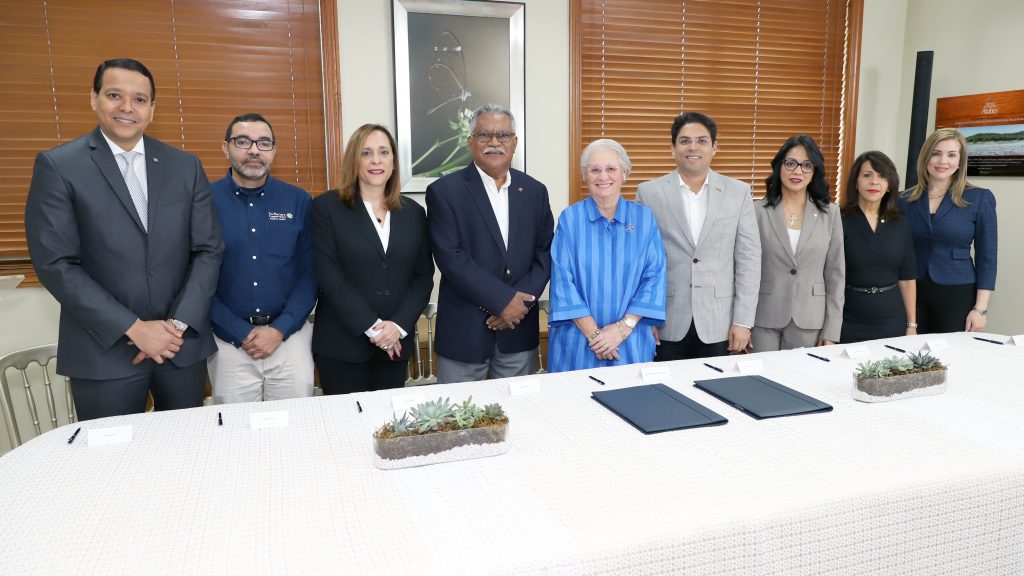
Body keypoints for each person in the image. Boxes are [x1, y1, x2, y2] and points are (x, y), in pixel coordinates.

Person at [24, 58, 223, 420]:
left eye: (140, 99)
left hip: (180, 348)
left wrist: (174, 327)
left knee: (188, 459)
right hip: (103, 352)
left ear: (151, 109)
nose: (127, 107)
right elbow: (55, 264)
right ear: (94, 99)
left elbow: (208, 250)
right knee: (110, 467)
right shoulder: (59, 166)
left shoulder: (185, 166)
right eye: (115, 95)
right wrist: (134, 329)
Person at [426, 104, 554, 384]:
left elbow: (544, 255)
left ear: (515, 143)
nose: (494, 142)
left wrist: (517, 307)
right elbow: (451, 259)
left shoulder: (534, 191)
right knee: (456, 420)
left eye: (503, 135)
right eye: (485, 134)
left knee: (519, 417)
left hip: (518, 332)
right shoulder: (444, 192)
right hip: (464, 335)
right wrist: (503, 302)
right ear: (471, 141)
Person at [312, 124, 434, 394]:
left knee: (390, 428)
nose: (376, 160)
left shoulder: (414, 213)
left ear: (393, 162)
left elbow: (423, 277)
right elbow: (329, 277)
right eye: (366, 153)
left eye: (383, 152)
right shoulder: (327, 208)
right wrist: (374, 328)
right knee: (347, 430)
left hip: (395, 345)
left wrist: (398, 326)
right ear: (353, 160)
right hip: (342, 346)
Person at [206, 113, 318, 403]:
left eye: (264, 143)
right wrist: (241, 332)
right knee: (236, 434)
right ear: (226, 148)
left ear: (273, 151)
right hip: (228, 343)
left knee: (295, 430)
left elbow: (310, 274)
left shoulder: (299, 201)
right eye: (243, 141)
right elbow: (196, 278)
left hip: (289, 339)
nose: (254, 150)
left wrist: (279, 330)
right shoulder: (203, 201)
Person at [636, 112, 760, 360]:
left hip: (720, 322)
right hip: (665, 321)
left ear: (714, 147)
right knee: (667, 393)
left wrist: (743, 322)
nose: (693, 147)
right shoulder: (649, 193)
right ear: (673, 148)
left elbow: (749, 259)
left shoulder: (738, 192)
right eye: (684, 141)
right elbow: (640, 262)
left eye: (702, 141)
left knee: (718, 394)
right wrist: (644, 316)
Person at [548, 139, 666, 372]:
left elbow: (654, 278)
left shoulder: (644, 219)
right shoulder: (570, 219)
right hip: (578, 342)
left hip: (630, 341)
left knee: (631, 404)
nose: (603, 176)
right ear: (585, 176)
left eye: (611, 169)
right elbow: (563, 283)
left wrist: (622, 329)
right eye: (595, 170)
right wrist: (597, 337)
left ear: (624, 174)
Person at [897, 128, 997, 333]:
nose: (943, 161)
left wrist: (981, 309)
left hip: (957, 293)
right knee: (910, 358)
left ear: (960, 161)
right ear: (926, 158)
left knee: (952, 358)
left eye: (951, 155)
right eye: (936, 153)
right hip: (912, 292)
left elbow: (987, 258)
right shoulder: (904, 200)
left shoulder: (979, 198)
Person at [752, 135, 844, 351]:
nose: (797, 171)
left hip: (810, 319)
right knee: (761, 381)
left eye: (806, 165)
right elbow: (743, 268)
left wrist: (832, 329)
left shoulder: (830, 213)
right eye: (791, 163)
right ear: (779, 166)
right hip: (763, 316)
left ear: (814, 172)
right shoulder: (756, 211)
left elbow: (836, 275)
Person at [839, 151, 917, 343]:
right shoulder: (839, 220)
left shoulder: (900, 223)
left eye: (882, 176)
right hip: (847, 319)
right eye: (867, 175)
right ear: (855, 182)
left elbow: (907, 279)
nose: (874, 182)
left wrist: (912, 324)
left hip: (892, 320)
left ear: (889, 184)